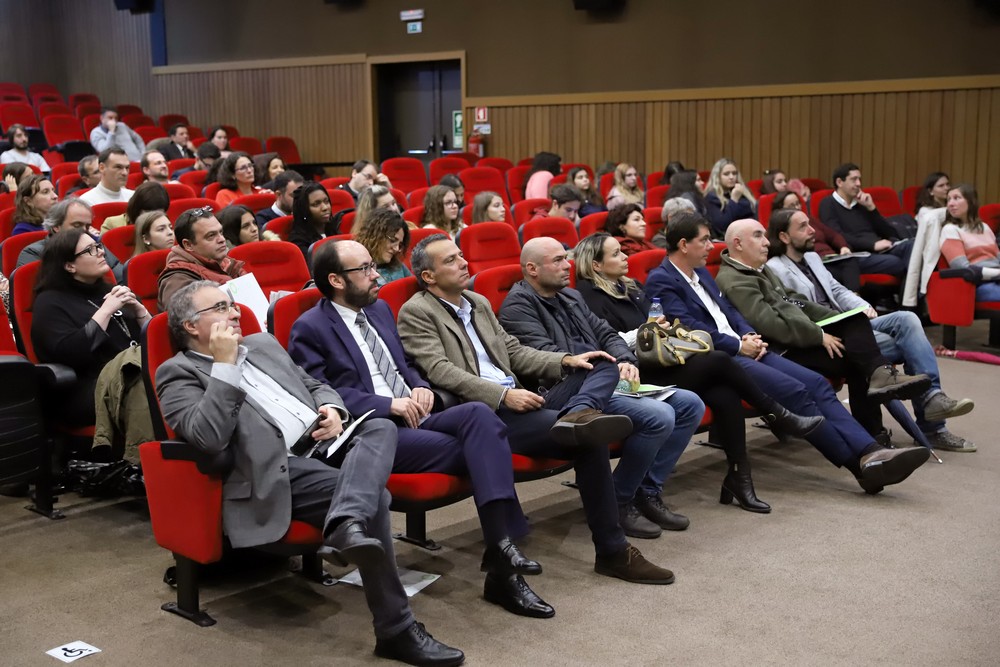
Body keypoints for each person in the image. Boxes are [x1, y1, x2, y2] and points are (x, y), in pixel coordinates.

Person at [157, 281, 464, 666]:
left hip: (326, 446)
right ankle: (396, 628)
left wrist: (332, 409)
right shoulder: (177, 372)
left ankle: (344, 521)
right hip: (277, 469)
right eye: (220, 308)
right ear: (190, 326)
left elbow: (316, 385)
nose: (235, 313)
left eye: (232, 305)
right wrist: (224, 366)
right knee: (376, 498)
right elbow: (208, 437)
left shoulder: (264, 345)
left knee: (381, 426)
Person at [289, 240, 553, 619]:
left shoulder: (379, 309)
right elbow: (319, 391)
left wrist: (419, 386)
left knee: (479, 415)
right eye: (365, 269)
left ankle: (500, 549)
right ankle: (503, 561)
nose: (377, 275)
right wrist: (388, 405)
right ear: (336, 280)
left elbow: (405, 364)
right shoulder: (310, 327)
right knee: (485, 450)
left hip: (419, 411)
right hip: (375, 430)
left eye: (372, 266)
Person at [397, 234, 677, 583]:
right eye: (451, 260)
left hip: (521, 400)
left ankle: (579, 412)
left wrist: (565, 361)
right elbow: (440, 370)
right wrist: (502, 396)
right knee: (589, 439)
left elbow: (514, 351)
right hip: (485, 414)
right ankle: (613, 550)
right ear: (428, 276)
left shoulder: (477, 302)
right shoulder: (417, 311)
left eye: (461, 255)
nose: (464, 262)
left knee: (601, 363)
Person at [644, 211, 932, 494]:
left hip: (747, 347)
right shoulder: (662, 279)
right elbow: (690, 327)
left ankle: (870, 449)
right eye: (705, 240)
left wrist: (748, 334)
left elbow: (728, 311)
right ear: (684, 245)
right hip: (722, 358)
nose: (711, 246)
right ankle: (860, 465)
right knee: (797, 392)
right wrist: (739, 345)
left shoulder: (701, 273)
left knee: (817, 384)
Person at [574, 232, 825, 513]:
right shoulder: (588, 296)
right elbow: (608, 341)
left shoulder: (631, 286)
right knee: (719, 360)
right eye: (616, 254)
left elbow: (659, 323)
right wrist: (648, 330)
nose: (625, 257)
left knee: (725, 393)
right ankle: (775, 413)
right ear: (596, 265)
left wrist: (660, 328)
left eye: (622, 251)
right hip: (635, 372)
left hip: (663, 359)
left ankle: (740, 477)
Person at [498, 236, 706, 537]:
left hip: (602, 379)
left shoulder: (570, 296)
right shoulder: (518, 306)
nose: (567, 265)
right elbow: (546, 357)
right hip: (568, 391)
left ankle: (646, 492)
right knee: (659, 416)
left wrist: (624, 360)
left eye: (565, 258)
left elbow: (606, 334)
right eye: (557, 260)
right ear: (532, 269)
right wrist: (604, 365)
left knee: (690, 404)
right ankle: (618, 501)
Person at [766, 208, 976, 452]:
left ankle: (932, 398)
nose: (812, 230)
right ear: (784, 236)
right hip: (827, 331)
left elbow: (837, 290)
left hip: (850, 322)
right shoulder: (775, 268)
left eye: (809, 224)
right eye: (802, 227)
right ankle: (933, 424)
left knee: (907, 319)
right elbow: (795, 312)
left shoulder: (812, 258)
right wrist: (841, 323)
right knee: (908, 345)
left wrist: (863, 307)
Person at [716, 219, 930, 439]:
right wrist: (818, 335)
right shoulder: (734, 280)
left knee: (855, 321)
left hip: (798, 337)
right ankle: (875, 418)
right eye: (758, 236)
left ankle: (879, 383)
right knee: (857, 360)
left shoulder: (758, 268)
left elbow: (796, 301)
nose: (766, 242)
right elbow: (769, 325)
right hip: (779, 351)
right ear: (738, 244)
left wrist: (836, 319)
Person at [31, 228, 151, 430]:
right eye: (90, 250)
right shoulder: (49, 303)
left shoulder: (108, 290)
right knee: (152, 387)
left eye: (98, 246)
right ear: (69, 266)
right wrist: (105, 311)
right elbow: (70, 354)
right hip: (87, 388)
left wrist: (140, 312)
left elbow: (154, 341)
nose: (101, 252)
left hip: (134, 372)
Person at [818, 162, 912, 279]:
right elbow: (837, 235)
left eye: (859, 179)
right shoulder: (827, 204)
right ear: (839, 182)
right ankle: (910, 290)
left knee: (912, 246)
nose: (859, 184)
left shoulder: (862, 203)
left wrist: (872, 208)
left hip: (881, 249)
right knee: (896, 262)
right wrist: (872, 245)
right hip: (857, 254)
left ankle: (913, 290)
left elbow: (890, 234)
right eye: (854, 179)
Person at [157, 206, 248, 311]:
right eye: (211, 235)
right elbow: (183, 319)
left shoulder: (230, 265)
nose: (222, 239)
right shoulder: (177, 280)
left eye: (221, 232)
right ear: (188, 245)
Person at [773, 190, 861, 291]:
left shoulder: (808, 219)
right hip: (815, 262)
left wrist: (843, 246)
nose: (797, 207)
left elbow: (832, 235)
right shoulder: (781, 231)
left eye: (798, 203)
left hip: (832, 258)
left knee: (850, 261)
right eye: (792, 205)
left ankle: (855, 294)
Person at [939, 183, 1000, 302]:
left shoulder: (984, 227)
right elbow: (963, 269)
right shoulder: (950, 229)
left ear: (971, 201)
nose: (950, 204)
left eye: (956, 198)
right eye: (949, 199)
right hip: (978, 284)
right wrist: (997, 274)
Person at [353, 208, 412, 286]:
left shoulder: (397, 265)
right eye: (393, 240)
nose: (396, 249)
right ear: (375, 235)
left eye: (400, 245)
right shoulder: (356, 268)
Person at [703, 158, 756, 236]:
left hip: (749, 232)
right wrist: (734, 200)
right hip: (728, 237)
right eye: (726, 174)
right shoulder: (712, 197)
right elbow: (722, 225)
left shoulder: (742, 191)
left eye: (734, 173)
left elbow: (754, 212)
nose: (731, 177)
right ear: (717, 177)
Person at [288, 182, 336, 261]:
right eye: (316, 204)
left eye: (326, 201)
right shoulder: (299, 242)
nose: (325, 207)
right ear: (304, 210)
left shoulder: (334, 230)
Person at [100, 180, 170, 234]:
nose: (153, 219)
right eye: (149, 214)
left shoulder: (167, 229)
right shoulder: (112, 224)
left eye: (158, 215)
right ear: (137, 209)